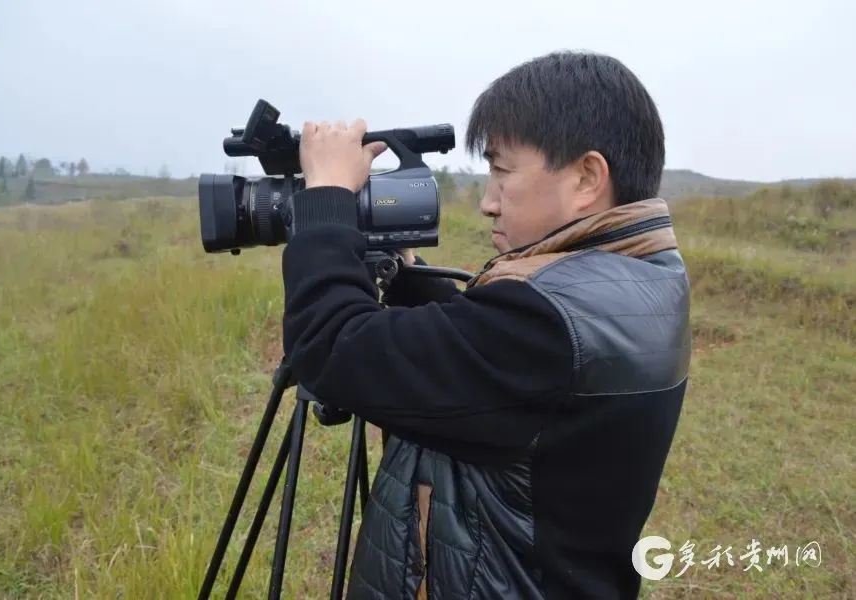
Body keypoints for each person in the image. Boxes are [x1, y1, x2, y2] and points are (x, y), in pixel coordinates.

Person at [281, 51, 690, 599]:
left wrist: (326, 203)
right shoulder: (644, 277)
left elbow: (330, 348)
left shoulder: (547, 324)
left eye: (501, 170)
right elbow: (494, 368)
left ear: (588, 177)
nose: (487, 203)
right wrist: (406, 274)